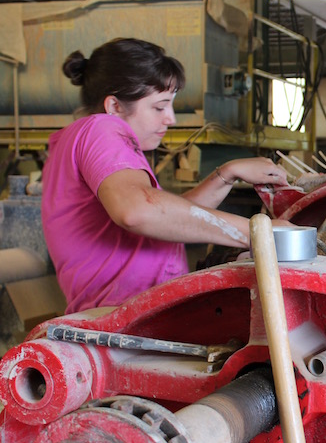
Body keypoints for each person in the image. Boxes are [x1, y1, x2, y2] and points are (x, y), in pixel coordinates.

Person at [42, 38, 289, 314]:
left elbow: (168, 218)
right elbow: (139, 210)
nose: (170, 118)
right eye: (159, 107)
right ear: (114, 107)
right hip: (122, 320)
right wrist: (258, 234)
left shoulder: (78, 139)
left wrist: (227, 174)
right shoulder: (101, 128)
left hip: (132, 313)